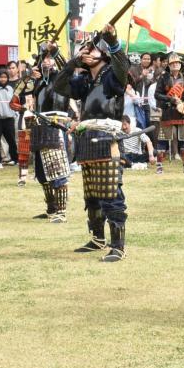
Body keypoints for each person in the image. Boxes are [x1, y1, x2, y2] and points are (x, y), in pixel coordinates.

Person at [54, 25, 129, 262]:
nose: (87, 52)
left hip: (107, 139)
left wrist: (113, 41)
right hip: (86, 140)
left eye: (92, 49)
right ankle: (97, 238)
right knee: (92, 194)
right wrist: (73, 63)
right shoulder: (85, 80)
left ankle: (118, 246)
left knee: (110, 193)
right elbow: (59, 85)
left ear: (104, 53)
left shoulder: (112, 76)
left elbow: (123, 67)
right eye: (85, 50)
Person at [25, 43, 72, 223]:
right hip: (39, 124)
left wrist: (55, 51)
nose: (47, 61)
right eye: (44, 58)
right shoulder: (37, 80)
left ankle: (61, 211)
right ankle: (51, 208)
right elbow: (19, 91)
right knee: (41, 171)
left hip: (56, 123)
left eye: (50, 58)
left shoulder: (62, 77)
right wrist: (30, 75)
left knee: (57, 169)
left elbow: (66, 67)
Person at [154, 55, 184, 174]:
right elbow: (157, 94)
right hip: (168, 112)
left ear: (180, 65)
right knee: (163, 139)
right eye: (172, 63)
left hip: (182, 113)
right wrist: (170, 99)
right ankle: (159, 167)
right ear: (169, 66)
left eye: (177, 63)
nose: (175, 65)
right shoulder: (163, 78)